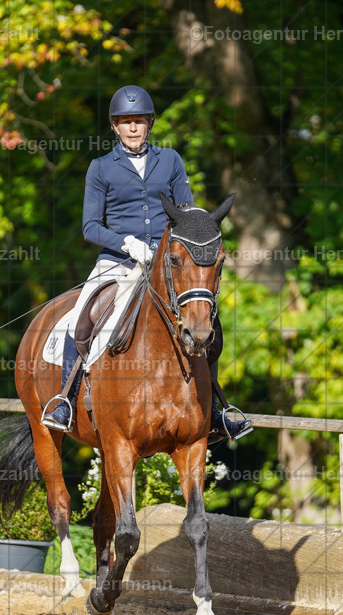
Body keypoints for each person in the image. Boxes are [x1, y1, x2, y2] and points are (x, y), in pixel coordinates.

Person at [41, 84, 251, 442]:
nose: (133, 128)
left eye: (139, 121)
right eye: (126, 122)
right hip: (118, 261)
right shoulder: (100, 168)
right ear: (115, 126)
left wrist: (191, 232)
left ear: (150, 123)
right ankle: (65, 400)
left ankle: (215, 410)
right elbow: (90, 226)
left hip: (167, 263)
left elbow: (186, 213)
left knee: (206, 320)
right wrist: (128, 244)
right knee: (80, 319)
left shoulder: (170, 160)